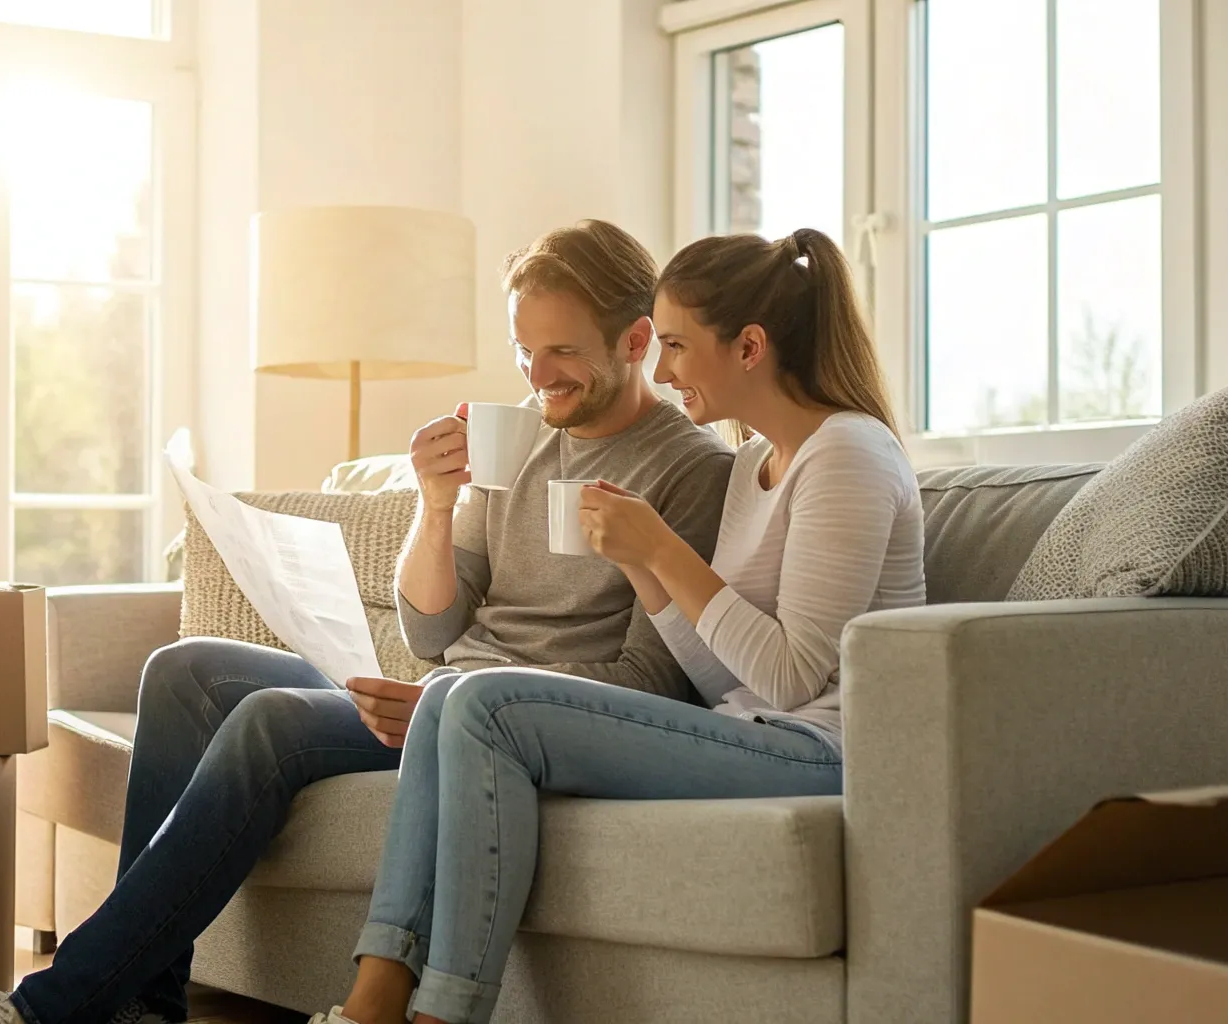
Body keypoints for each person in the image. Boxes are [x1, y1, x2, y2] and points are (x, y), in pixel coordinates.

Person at [0, 219, 734, 1024]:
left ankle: (50, 1008)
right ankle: (147, 1003)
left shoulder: (692, 471)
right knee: (185, 670)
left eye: (562, 352)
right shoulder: (517, 443)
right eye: (522, 352)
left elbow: (650, 683)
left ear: (636, 339)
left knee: (270, 722)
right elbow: (432, 633)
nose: (539, 376)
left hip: (499, 726)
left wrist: (452, 701)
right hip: (439, 689)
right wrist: (436, 507)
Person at [311, 229, 927, 1024]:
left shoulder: (846, 453)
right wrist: (642, 562)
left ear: (748, 347)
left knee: (481, 702)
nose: (664, 371)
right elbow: (722, 678)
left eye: (674, 345)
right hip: (752, 728)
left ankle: (439, 1015)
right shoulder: (754, 463)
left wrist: (664, 551)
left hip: (826, 755)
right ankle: (375, 1002)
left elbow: (793, 677)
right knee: (452, 695)